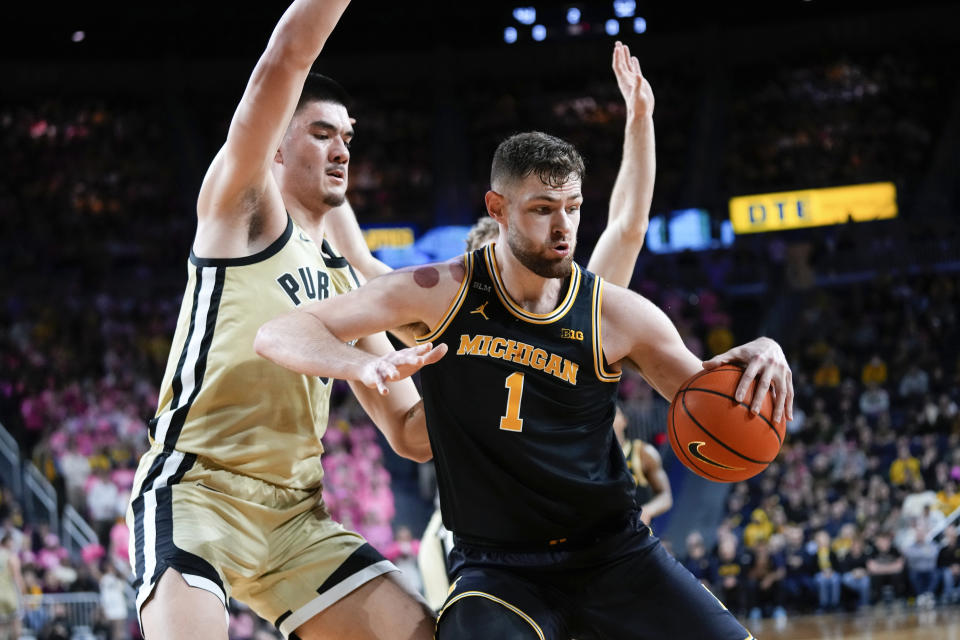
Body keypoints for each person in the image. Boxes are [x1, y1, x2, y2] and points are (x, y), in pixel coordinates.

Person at [256, 128, 794, 638]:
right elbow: (279, 332)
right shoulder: (439, 293)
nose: (563, 227)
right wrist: (354, 365)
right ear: (498, 210)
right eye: (542, 210)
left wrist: (767, 351)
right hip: (499, 570)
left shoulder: (618, 315)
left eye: (573, 209)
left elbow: (703, 394)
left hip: (615, 553)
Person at [126, 1, 439, 638]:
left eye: (348, 137)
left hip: (297, 517)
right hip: (198, 489)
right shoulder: (244, 211)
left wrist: (496, 371)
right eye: (322, 132)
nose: (341, 149)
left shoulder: (350, 285)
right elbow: (288, 56)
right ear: (275, 147)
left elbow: (410, 434)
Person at [415, 40, 661, 603]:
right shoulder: (447, 322)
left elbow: (627, 225)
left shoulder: (582, 304)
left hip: (579, 541)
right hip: (486, 545)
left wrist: (640, 121)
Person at [0, 534, 25, 640]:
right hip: (11, 596)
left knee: (1, 628)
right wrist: (23, 595)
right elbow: (17, 577)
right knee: (16, 626)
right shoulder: (12, 557)